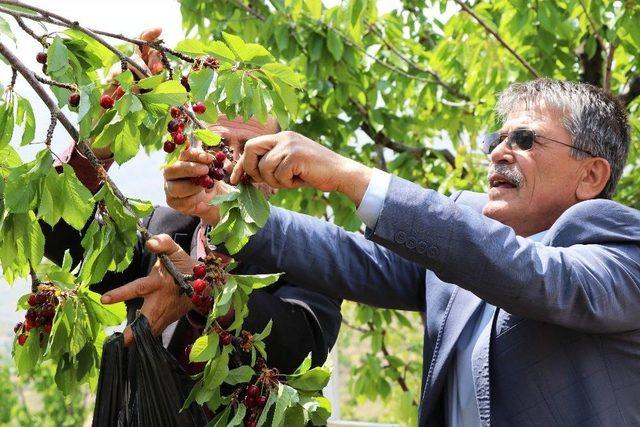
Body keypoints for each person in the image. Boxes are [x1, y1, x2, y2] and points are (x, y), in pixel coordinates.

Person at [166, 78, 640, 425]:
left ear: (591, 176)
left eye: (524, 139)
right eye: (497, 139)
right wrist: (225, 208)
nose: (498, 152)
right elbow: (347, 257)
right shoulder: (460, 251)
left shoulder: (619, 243)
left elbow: (536, 277)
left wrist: (349, 175)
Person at [42, 28, 341, 375]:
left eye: (253, 148)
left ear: (282, 167)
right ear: (191, 147)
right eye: (219, 142)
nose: (232, 160)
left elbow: (296, 346)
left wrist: (203, 289)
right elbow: (60, 232)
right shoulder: (158, 232)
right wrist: (101, 140)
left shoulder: (314, 254)